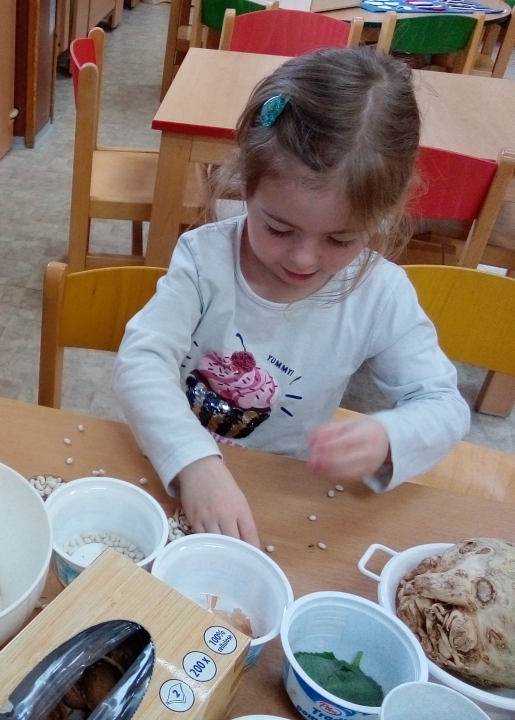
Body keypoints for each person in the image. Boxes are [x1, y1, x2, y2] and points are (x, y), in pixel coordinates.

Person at [112, 48, 469, 547]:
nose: (303, 259)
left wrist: (389, 437)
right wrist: (195, 464)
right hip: (174, 463)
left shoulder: (380, 294)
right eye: (279, 229)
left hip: (281, 492)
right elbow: (141, 361)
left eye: (340, 239)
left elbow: (444, 405)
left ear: (386, 212)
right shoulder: (204, 259)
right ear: (245, 182)